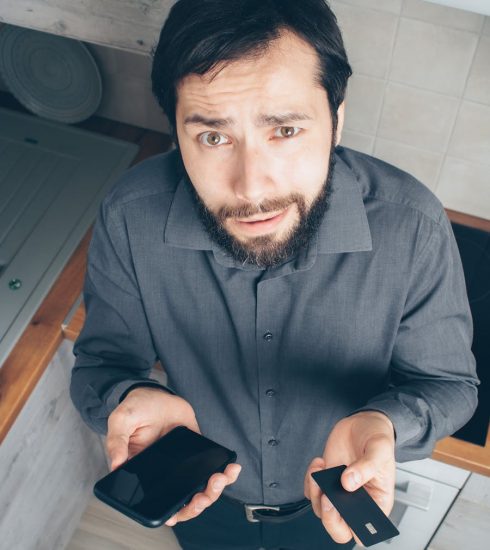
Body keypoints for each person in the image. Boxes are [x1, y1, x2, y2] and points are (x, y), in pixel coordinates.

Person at [70, 1, 479, 549]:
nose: (251, 187)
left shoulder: (414, 225)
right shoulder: (130, 214)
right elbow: (101, 364)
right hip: (207, 505)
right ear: (176, 130)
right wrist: (130, 393)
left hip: (330, 508)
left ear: (337, 119)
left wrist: (385, 423)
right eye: (213, 137)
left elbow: (451, 386)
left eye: (285, 130)